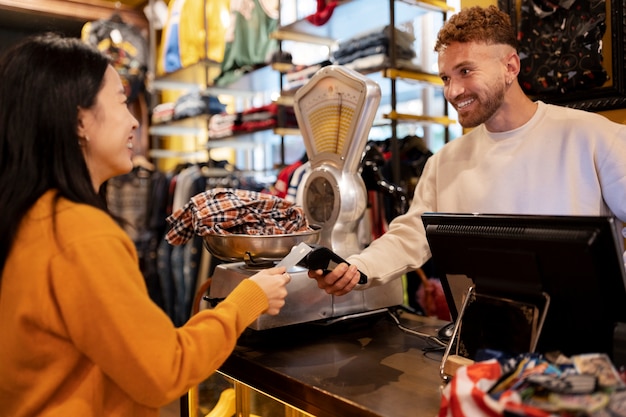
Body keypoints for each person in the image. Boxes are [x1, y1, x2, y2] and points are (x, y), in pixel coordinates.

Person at [0, 33, 291, 416]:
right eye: (121, 101)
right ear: (79, 120)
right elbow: (164, 371)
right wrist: (247, 300)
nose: (135, 121)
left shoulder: (30, 216)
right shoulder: (80, 233)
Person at [308, 5, 626, 295]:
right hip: (481, 342)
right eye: (446, 77)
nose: (453, 91)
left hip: (584, 347)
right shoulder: (444, 162)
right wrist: (358, 268)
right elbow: (409, 237)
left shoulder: (595, 137)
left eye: (465, 71)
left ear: (511, 67)